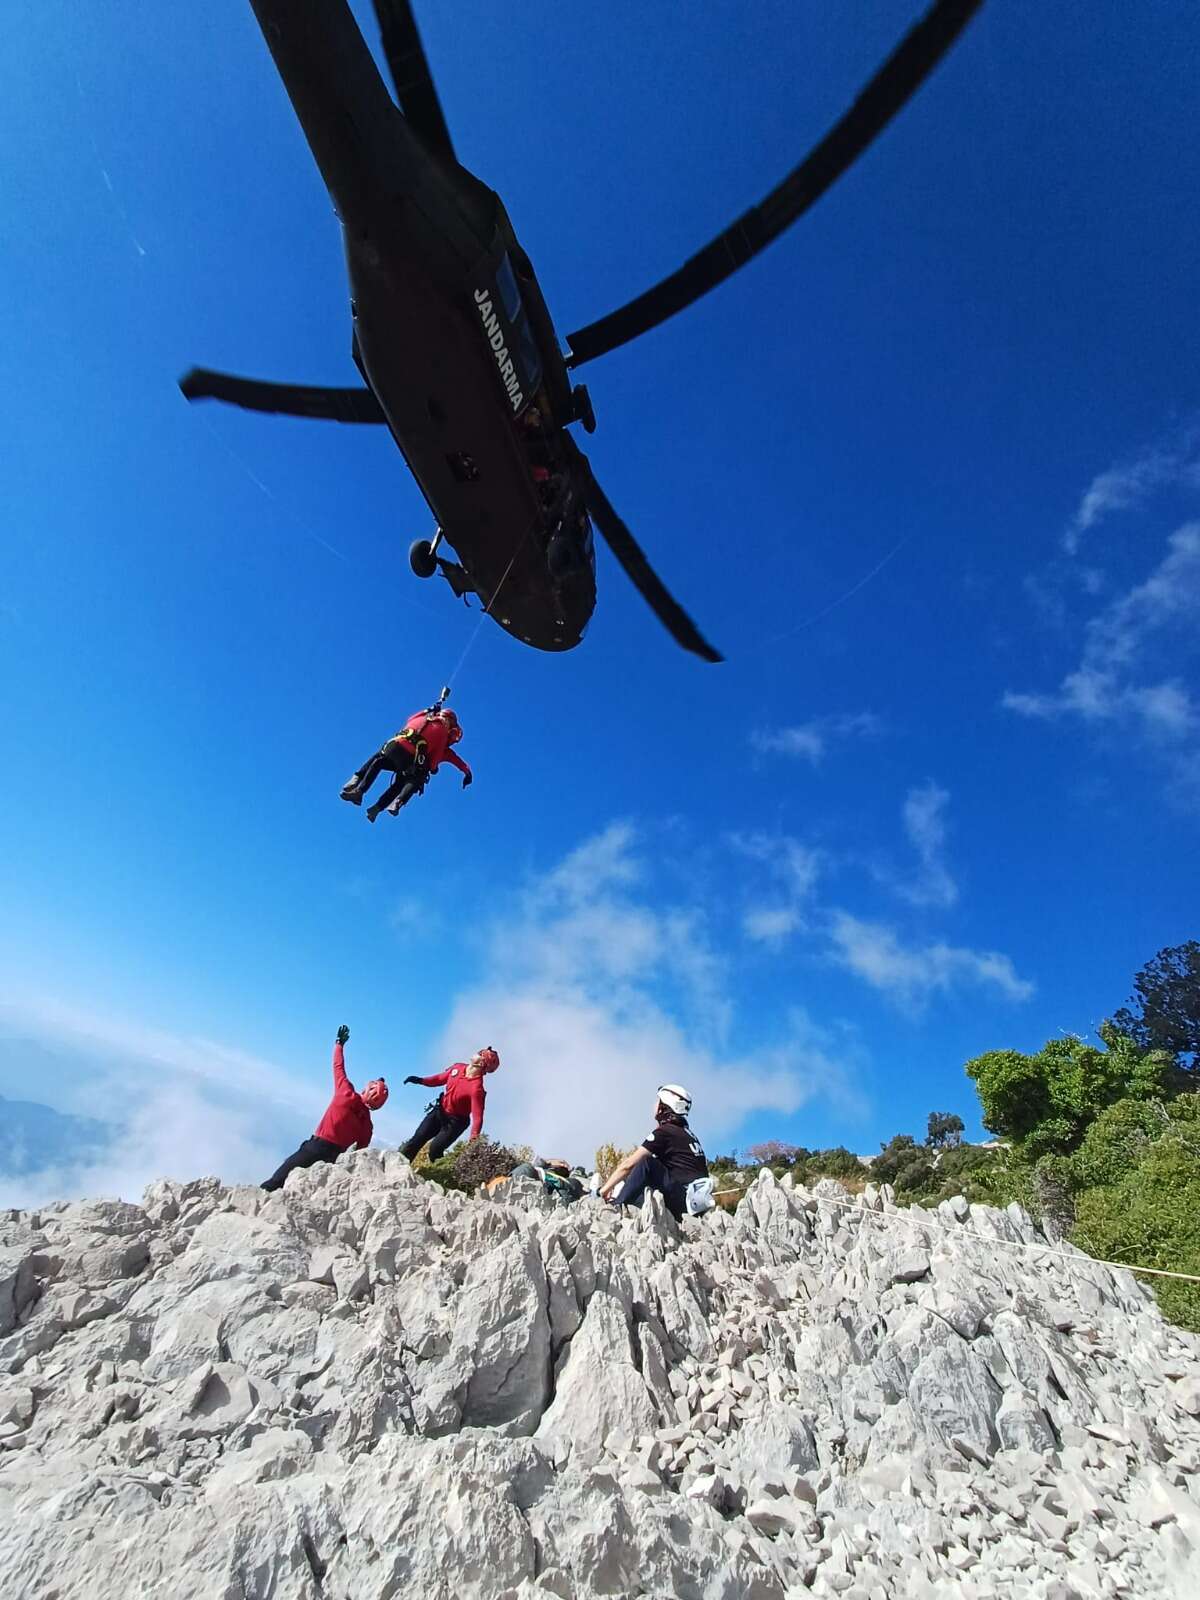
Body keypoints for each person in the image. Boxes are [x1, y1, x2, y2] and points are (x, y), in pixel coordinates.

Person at [261, 1026, 387, 1191]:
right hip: (333, 1160)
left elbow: (338, 1066)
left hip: (314, 1148)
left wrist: (339, 1044)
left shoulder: (346, 1093)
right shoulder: (367, 1125)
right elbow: (360, 1152)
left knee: (277, 1180)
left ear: (366, 1090)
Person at [599, 1084, 714, 1220]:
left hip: (683, 1201)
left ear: (664, 1105)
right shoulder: (688, 1135)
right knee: (643, 1187)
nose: (654, 1105)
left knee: (647, 1163)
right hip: (695, 1205)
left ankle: (617, 1207)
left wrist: (603, 1190)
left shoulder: (665, 1132)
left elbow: (628, 1165)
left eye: (657, 1101)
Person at [340, 706, 473, 823]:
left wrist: (429, 710)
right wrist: (436, 769)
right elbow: (439, 760)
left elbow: (410, 718)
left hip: (395, 747)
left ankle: (358, 787)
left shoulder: (424, 717)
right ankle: (392, 804)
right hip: (411, 763)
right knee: (403, 783)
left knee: (379, 760)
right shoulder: (443, 736)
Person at [399, 1046, 499, 1160]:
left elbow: (478, 1118)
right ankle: (398, 1168)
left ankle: (438, 1174)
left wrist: (473, 1140)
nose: (477, 1053)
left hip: (456, 1122)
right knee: (417, 1139)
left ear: (481, 1064)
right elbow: (439, 1079)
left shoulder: (476, 1089)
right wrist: (420, 1080)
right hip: (440, 1111)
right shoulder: (457, 1068)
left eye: (481, 1054)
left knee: (435, 1149)